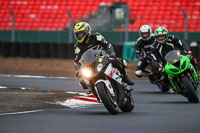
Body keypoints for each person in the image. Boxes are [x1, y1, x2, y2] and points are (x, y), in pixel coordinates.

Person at [73, 22, 134, 89]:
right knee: (82, 80)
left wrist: (112, 54)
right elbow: (77, 61)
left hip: (104, 58)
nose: (79, 36)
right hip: (91, 64)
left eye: (81, 33)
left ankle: (125, 77)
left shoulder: (96, 36)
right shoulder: (77, 47)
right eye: (78, 34)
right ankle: (94, 90)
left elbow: (108, 45)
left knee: (118, 61)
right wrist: (79, 71)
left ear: (87, 31)